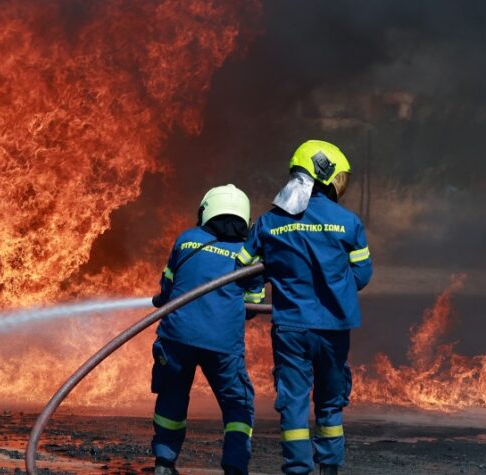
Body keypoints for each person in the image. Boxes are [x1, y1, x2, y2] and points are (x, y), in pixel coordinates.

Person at [238, 140, 373, 475]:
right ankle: (329, 468)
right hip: (333, 328)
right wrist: (332, 286)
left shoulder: (269, 223)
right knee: (329, 401)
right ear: (327, 175)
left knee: (294, 403)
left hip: (290, 328)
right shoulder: (348, 223)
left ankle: (297, 470)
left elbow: (244, 268)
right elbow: (362, 275)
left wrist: (255, 298)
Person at [150, 184, 264, 475]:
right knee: (237, 406)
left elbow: (167, 291)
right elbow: (253, 305)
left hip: (176, 338)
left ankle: (164, 463)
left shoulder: (187, 240)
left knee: (172, 396)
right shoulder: (247, 253)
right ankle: (235, 467)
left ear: (206, 210)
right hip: (222, 344)